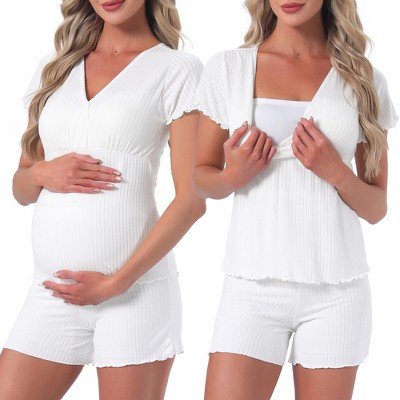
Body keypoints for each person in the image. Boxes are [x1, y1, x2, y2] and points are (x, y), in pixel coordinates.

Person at [0, 0, 204, 399]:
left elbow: (192, 199)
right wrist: (41, 173)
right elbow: (20, 189)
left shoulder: (176, 69)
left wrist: (115, 283)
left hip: (134, 295)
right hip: (52, 293)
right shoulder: (54, 69)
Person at [193, 0, 397, 399]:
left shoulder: (364, 79)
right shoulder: (228, 68)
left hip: (337, 294)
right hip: (250, 288)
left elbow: (377, 209)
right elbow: (201, 179)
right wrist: (233, 176)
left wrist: (336, 172)